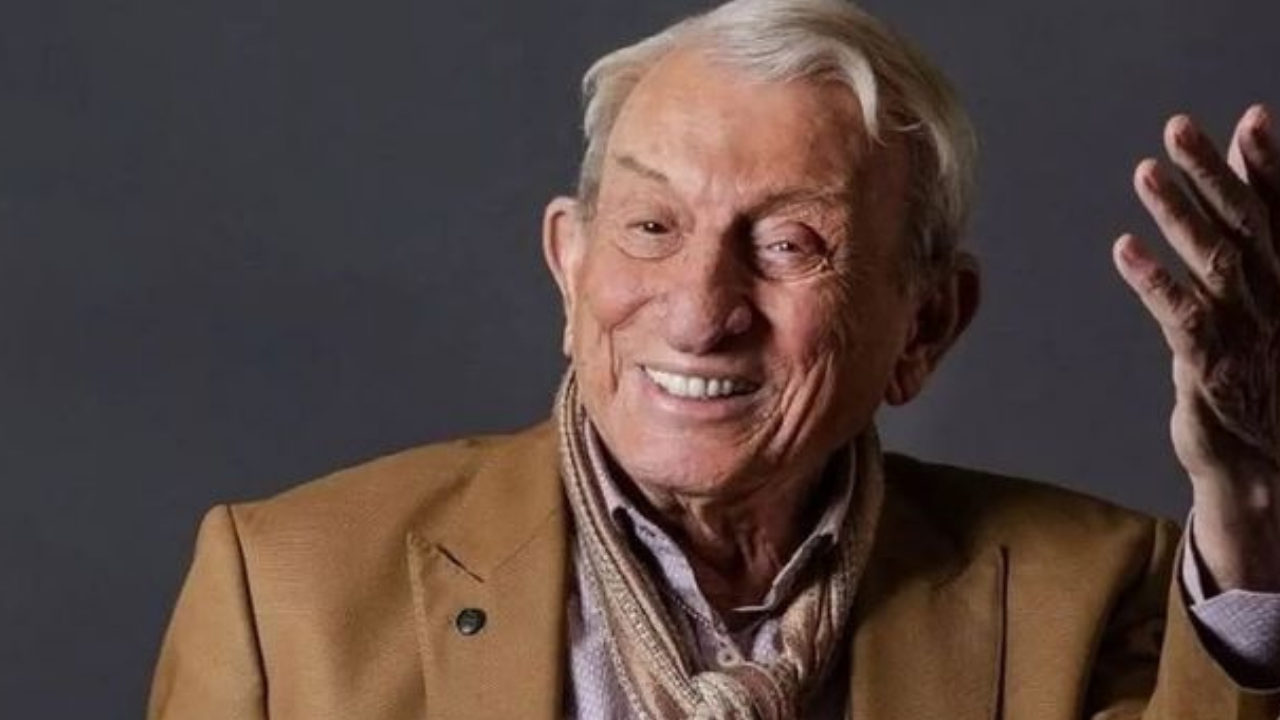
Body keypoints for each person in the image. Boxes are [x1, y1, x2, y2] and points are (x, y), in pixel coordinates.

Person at [147, 0, 1280, 718]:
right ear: (570, 264)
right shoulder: (281, 594)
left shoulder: (1095, 595)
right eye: (651, 227)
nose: (699, 312)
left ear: (925, 325)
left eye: (788, 245)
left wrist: (1251, 500)